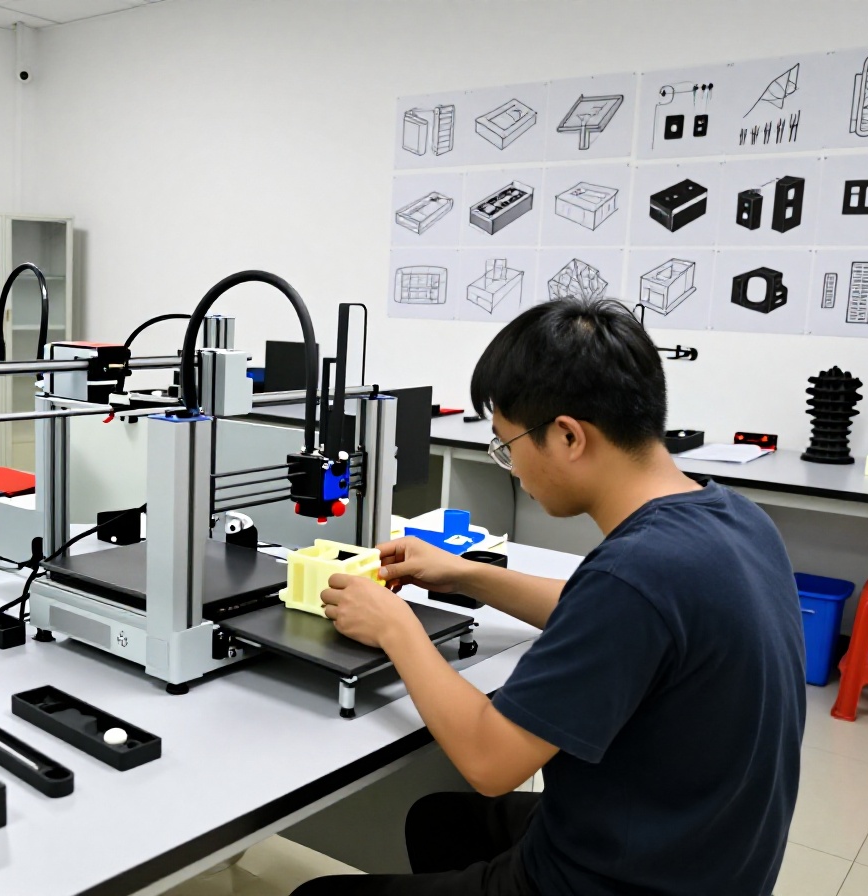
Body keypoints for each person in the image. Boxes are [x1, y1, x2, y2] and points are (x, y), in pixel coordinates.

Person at [294, 297, 805, 895]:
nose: (511, 467)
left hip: (623, 881)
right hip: (699, 851)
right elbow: (605, 614)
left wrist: (394, 626)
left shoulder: (633, 575)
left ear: (567, 436)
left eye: (507, 445)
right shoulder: (734, 518)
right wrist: (466, 574)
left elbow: (489, 762)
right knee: (438, 822)